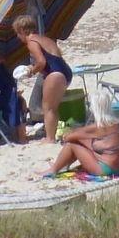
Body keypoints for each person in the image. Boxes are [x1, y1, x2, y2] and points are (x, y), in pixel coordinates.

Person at [11, 14, 74, 144]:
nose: (18, 36)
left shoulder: (31, 42)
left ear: (22, 30)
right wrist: (33, 67)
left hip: (55, 74)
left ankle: (49, 138)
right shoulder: (44, 39)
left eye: (17, 33)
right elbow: (51, 58)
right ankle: (54, 134)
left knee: (48, 108)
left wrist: (31, 72)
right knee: (53, 107)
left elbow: (42, 62)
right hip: (65, 71)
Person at [41, 119, 119, 179]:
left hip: (105, 170)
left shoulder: (99, 126)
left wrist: (76, 134)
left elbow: (68, 138)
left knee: (72, 144)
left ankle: (54, 169)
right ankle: (62, 165)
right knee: (81, 141)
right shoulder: (116, 123)